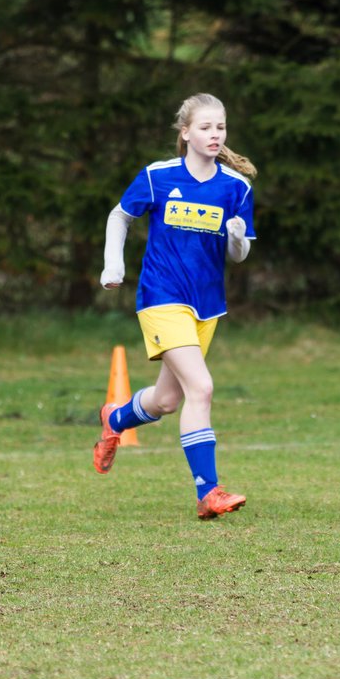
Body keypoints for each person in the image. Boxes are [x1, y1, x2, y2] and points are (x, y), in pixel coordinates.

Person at [94, 92, 257, 520]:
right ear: (185, 133)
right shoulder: (157, 176)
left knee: (167, 401)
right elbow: (119, 216)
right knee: (201, 388)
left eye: (220, 127)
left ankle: (115, 418)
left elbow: (239, 254)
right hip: (161, 297)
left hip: (207, 306)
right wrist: (114, 263)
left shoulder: (236, 187)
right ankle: (209, 492)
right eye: (205, 127)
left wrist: (238, 238)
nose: (214, 135)